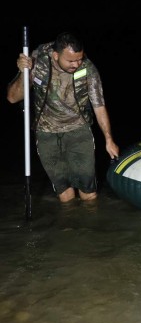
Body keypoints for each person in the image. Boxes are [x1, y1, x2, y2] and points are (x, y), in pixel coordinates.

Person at [6, 31, 119, 203]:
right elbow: (13, 98)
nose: (77, 64)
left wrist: (109, 139)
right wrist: (24, 73)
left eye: (79, 59)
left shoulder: (88, 68)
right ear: (55, 55)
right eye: (71, 60)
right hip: (46, 133)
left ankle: (90, 228)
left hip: (79, 130)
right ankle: (68, 227)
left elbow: (99, 105)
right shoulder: (37, 61)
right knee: (64, 194)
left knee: (88, 193)